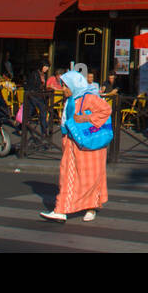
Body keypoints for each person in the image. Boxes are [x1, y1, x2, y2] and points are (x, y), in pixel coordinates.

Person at [42, 69, 112, 222]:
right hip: (75, 143)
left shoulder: (89, 98)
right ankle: (63, 209)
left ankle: (87, 207)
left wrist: (86, 118)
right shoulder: (73, 98)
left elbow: (106, 110)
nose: (64, 89)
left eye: (66, 86)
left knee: (86, 177)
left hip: (89, 145)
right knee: (70, 176)